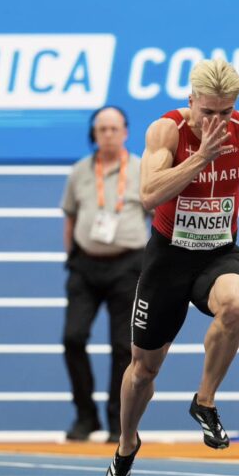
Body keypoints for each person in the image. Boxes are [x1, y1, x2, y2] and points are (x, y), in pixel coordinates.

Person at [104, 59, 239, 476]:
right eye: (208, 111)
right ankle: (126, 446)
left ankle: (205, 401)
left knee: (237, 303)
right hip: (168, 259)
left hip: (218, 252)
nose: (217, 121)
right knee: (143, 371)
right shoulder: (167, 132)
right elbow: (148, 195)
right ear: (190, 99)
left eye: (225, 111)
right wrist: (200, 157)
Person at [61, 106, 149, 443]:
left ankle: (118, 421)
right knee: (73, 338)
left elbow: (158, 213)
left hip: (129, 265)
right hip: (85, 265)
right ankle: (86, 417)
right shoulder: (80, 171)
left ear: (126, 132)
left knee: (123, 347)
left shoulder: (142, 169)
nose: (108, 135)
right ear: (93, 134)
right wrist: (71, 255)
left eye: (114, 129)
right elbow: (70, 215)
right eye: (102, 129)